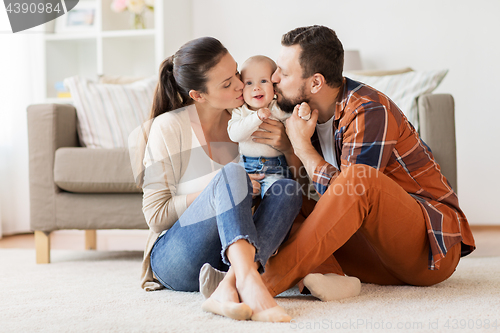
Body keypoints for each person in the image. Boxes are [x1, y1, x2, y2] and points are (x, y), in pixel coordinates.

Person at [249, 25, 476, 301]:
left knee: (359, 179)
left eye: (283, 73)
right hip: (371, 256)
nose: (273, 78)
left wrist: (302, 147)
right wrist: (290, 148)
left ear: (316, 83)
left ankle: (257, 287)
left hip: (427, 251)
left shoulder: (368, 109)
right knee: (282, 193)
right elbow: (323, 204)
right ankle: (329, 276)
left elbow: (350, 195)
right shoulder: (301, 117)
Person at [133, 36, 304, 322]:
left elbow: (299, 182)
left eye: (236, 72)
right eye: (227, 84)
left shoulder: (246, 121)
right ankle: (249, 281)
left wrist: (287, 148)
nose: (241, 84)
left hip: (231, 257)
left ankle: (229, 284)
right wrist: (216, 186)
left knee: (288, 189)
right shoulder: (169, 127)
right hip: (177, 260)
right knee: (232, 174)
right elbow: (155, 216)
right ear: (198, 95)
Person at [227, 55, 310, 198]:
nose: (256, 87)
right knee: (235, 193)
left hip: (276, 169)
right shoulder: (240, 112)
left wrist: (304, 113)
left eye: (264, 81)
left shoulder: (278, 108)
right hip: (246, 167)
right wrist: (256, 117)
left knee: (279, 194)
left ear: (274, 87)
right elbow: (235, 135)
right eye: (249, 83)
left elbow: (298, 123)